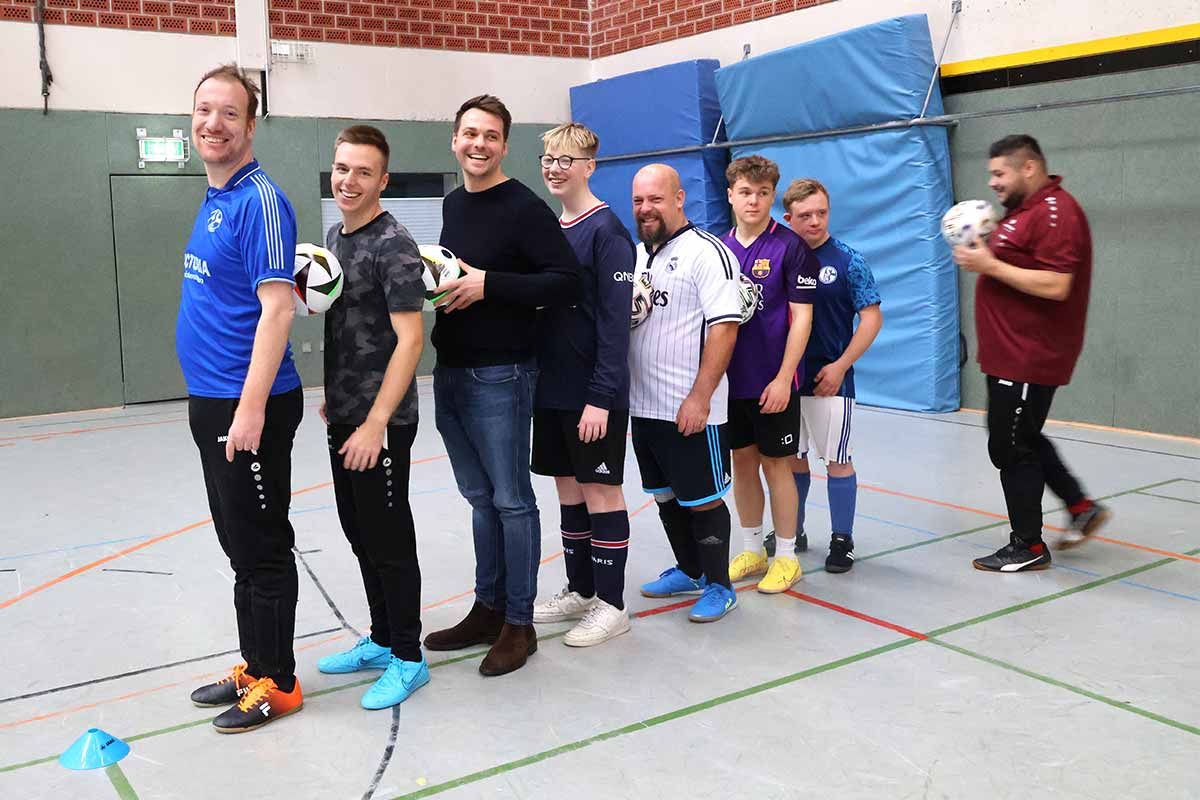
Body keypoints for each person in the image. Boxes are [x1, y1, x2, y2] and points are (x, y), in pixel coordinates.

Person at [421, 95, 580, 675]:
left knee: (512, 501)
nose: (479, 144)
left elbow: (566, 282)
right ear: (454, 140)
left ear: (505, 145)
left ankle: (519, 623)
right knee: (479, 498)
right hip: (451, 370)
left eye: (490, 136)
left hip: (503, 373)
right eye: (470, 133)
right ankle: (487, 608)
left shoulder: (525, 207)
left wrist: (489, 285)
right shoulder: (453, 202)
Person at [180, 65, 304, 732]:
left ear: (250, 126)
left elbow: (278, 309)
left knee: (262, 546)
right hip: (213, 401)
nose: (214, 124)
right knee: (239, 546)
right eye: (205, 110)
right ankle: (255, 665)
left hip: (247, 404)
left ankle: (279, 682)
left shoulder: (260, 201)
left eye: (229, 113)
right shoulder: (215, 199)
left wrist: (250, 408)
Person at [311, 125, 430, 708]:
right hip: (346, 411)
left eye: (363, 172)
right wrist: (337, 395)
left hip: (382, 422)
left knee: (387, 537)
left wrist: (375, 423)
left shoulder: (394, 244)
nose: (349, 181)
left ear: (383, 180)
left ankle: (408, 656)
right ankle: (382, 639)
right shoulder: (334, 236)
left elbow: (411, 341)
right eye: (342, 169)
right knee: (358, 531)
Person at [953, 134, 1109, 572]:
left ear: (1029, 168)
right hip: (1008, 352)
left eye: (999, 173)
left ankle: (1028, 545)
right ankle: (1080, 506)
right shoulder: (1023, 213)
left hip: (1029, 353)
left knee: (1011, 444)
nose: (993, 182)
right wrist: (981, 249)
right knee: (1022, 436)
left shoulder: (1056, 213)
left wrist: (989, 265)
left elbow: (1057, 285)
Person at [530, 123, 637, 646]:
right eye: (548, 159)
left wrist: (600, 398)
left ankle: (612, 605)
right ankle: (581, 589)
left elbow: (616, 328)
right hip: (553, 388)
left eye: (565, 160)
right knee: (567, 489)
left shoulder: (608, 232)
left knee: (600, 491)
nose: (555, 169)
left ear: (589, 166)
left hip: (593, 395)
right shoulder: (554, 228)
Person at [629, 164, 744, 623]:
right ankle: (691, 569)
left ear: (679, 198)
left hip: (691, 409)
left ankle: (720, 585)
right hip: (643, 406)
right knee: (664, 495)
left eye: (655, 199)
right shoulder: (637, 255)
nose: (646, 208)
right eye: (638, 200)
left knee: (703, 499)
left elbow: (725, 328)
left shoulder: (708, 253)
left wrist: (700, 397)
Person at [720, 156, 817, 595]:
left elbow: (802, 319)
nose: (753, 201)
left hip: (774, 382)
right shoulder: (719, 249)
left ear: (773, 196)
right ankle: (752, 549)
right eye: (745, 192)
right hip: (731, 382)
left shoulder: (790, 247)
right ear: (731, 195)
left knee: (777, 465)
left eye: (762, 193)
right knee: (742, 463)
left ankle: (787, 557)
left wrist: (783, 378)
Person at [782, 178, 883, 573]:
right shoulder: (781, 257)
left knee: (837, 461)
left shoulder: (848, 260)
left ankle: (842, 539)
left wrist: (840, 366)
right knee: (792, 460)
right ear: (788, 218)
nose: (815, 221)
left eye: (821, 213)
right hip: (786, 382)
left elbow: (871, 318)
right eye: (805, 215)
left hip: (830, 381)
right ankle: (793, 531)